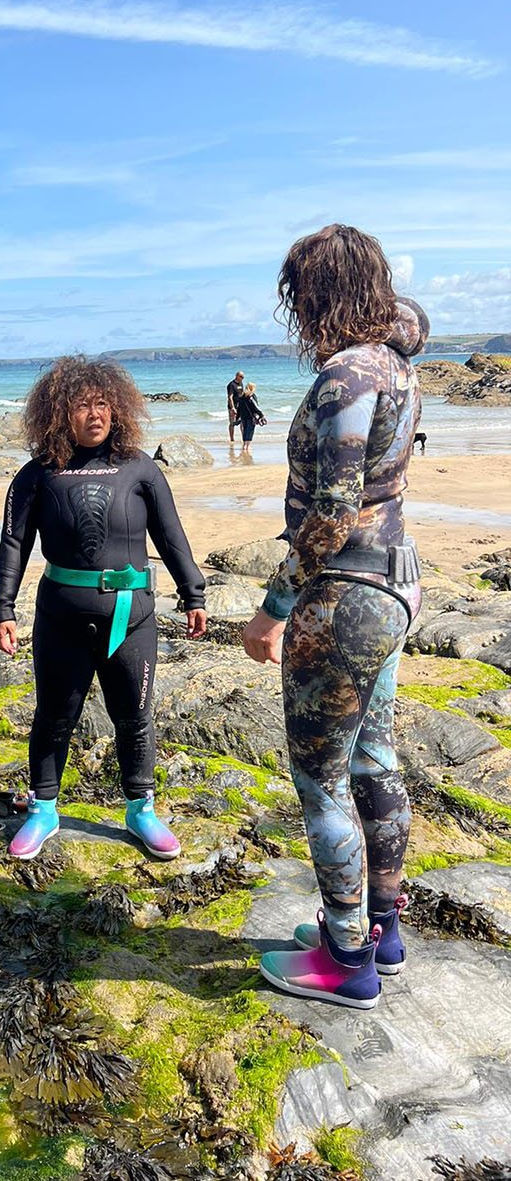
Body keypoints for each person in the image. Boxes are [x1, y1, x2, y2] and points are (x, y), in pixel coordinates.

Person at [242, 224, 428, 1010]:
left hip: (344, 600)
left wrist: (272, 605)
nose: (296, 310)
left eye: (299, 294)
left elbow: (331, 513)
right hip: (395, 585)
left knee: (320, 780)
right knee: (375, 759)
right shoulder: (397, 360)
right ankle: (382, 929)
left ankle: (346, 957)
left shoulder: (347, 377)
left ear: (316, 293)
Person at [0, 355, 208, 861]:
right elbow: (13, 545)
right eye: (81, 406)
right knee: (53, 715)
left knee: (134, 715)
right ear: (57, 415)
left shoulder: (140, 468)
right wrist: (3, 608)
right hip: (60, 616)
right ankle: (44, 809)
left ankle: (141, 808)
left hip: (132, 616)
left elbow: (172, 537)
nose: (94, 414)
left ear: (118, 408)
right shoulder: (37, 475)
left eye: (103, 404)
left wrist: (192, 593)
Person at [236, 383, 267, 453]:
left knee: (245, 430)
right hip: (251, 417)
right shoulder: (251, 396)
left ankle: (244, 445)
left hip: (243, 417)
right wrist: (261, 415)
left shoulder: (241, 397)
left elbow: (238, 408)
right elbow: (255, 407)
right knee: (250, 431)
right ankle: (248, 446)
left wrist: (237, 417)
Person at [226, 370, 245, 443]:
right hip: (233, 407)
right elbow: (230, 397)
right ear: (236, 376)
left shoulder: (241, 383)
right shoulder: (231, 385)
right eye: (241, 377)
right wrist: (233, 408)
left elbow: (242, 393)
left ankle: (244, 438)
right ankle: (232, 439)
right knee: (232, 423)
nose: (242, 378)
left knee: (242, 422)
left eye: (243, 377)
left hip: (241, 406)